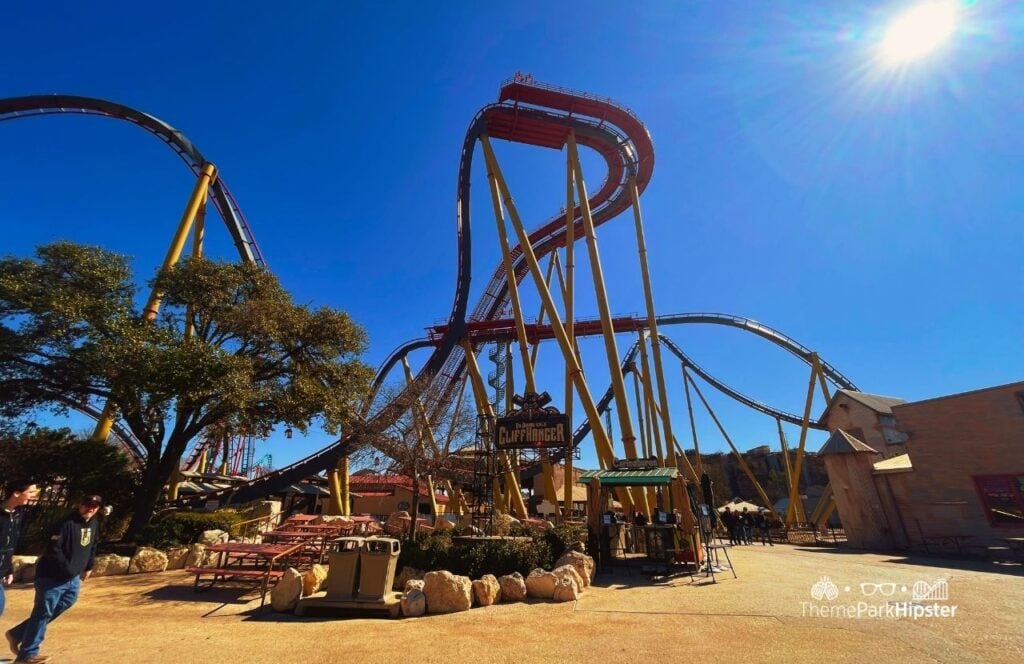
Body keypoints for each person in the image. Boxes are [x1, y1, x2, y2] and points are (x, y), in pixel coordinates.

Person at [6, 495, 101, 664]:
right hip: (51, 577)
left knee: (65, 604)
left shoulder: (93, 523)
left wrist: (88, 566)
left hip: (72, 579)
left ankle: (18, 634)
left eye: (95, 506)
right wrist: (68, 569)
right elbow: (53, 550)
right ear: (80, 504)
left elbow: (92, 545)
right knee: (42, 613)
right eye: (88, 504)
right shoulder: (65, 523)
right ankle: (27, 655)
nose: (90, 508)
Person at [1, 481, 40, 619]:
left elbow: (8, 548)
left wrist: (8, 569)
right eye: (30, 492)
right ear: (16, 493)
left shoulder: (17, 515)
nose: (33, 496)